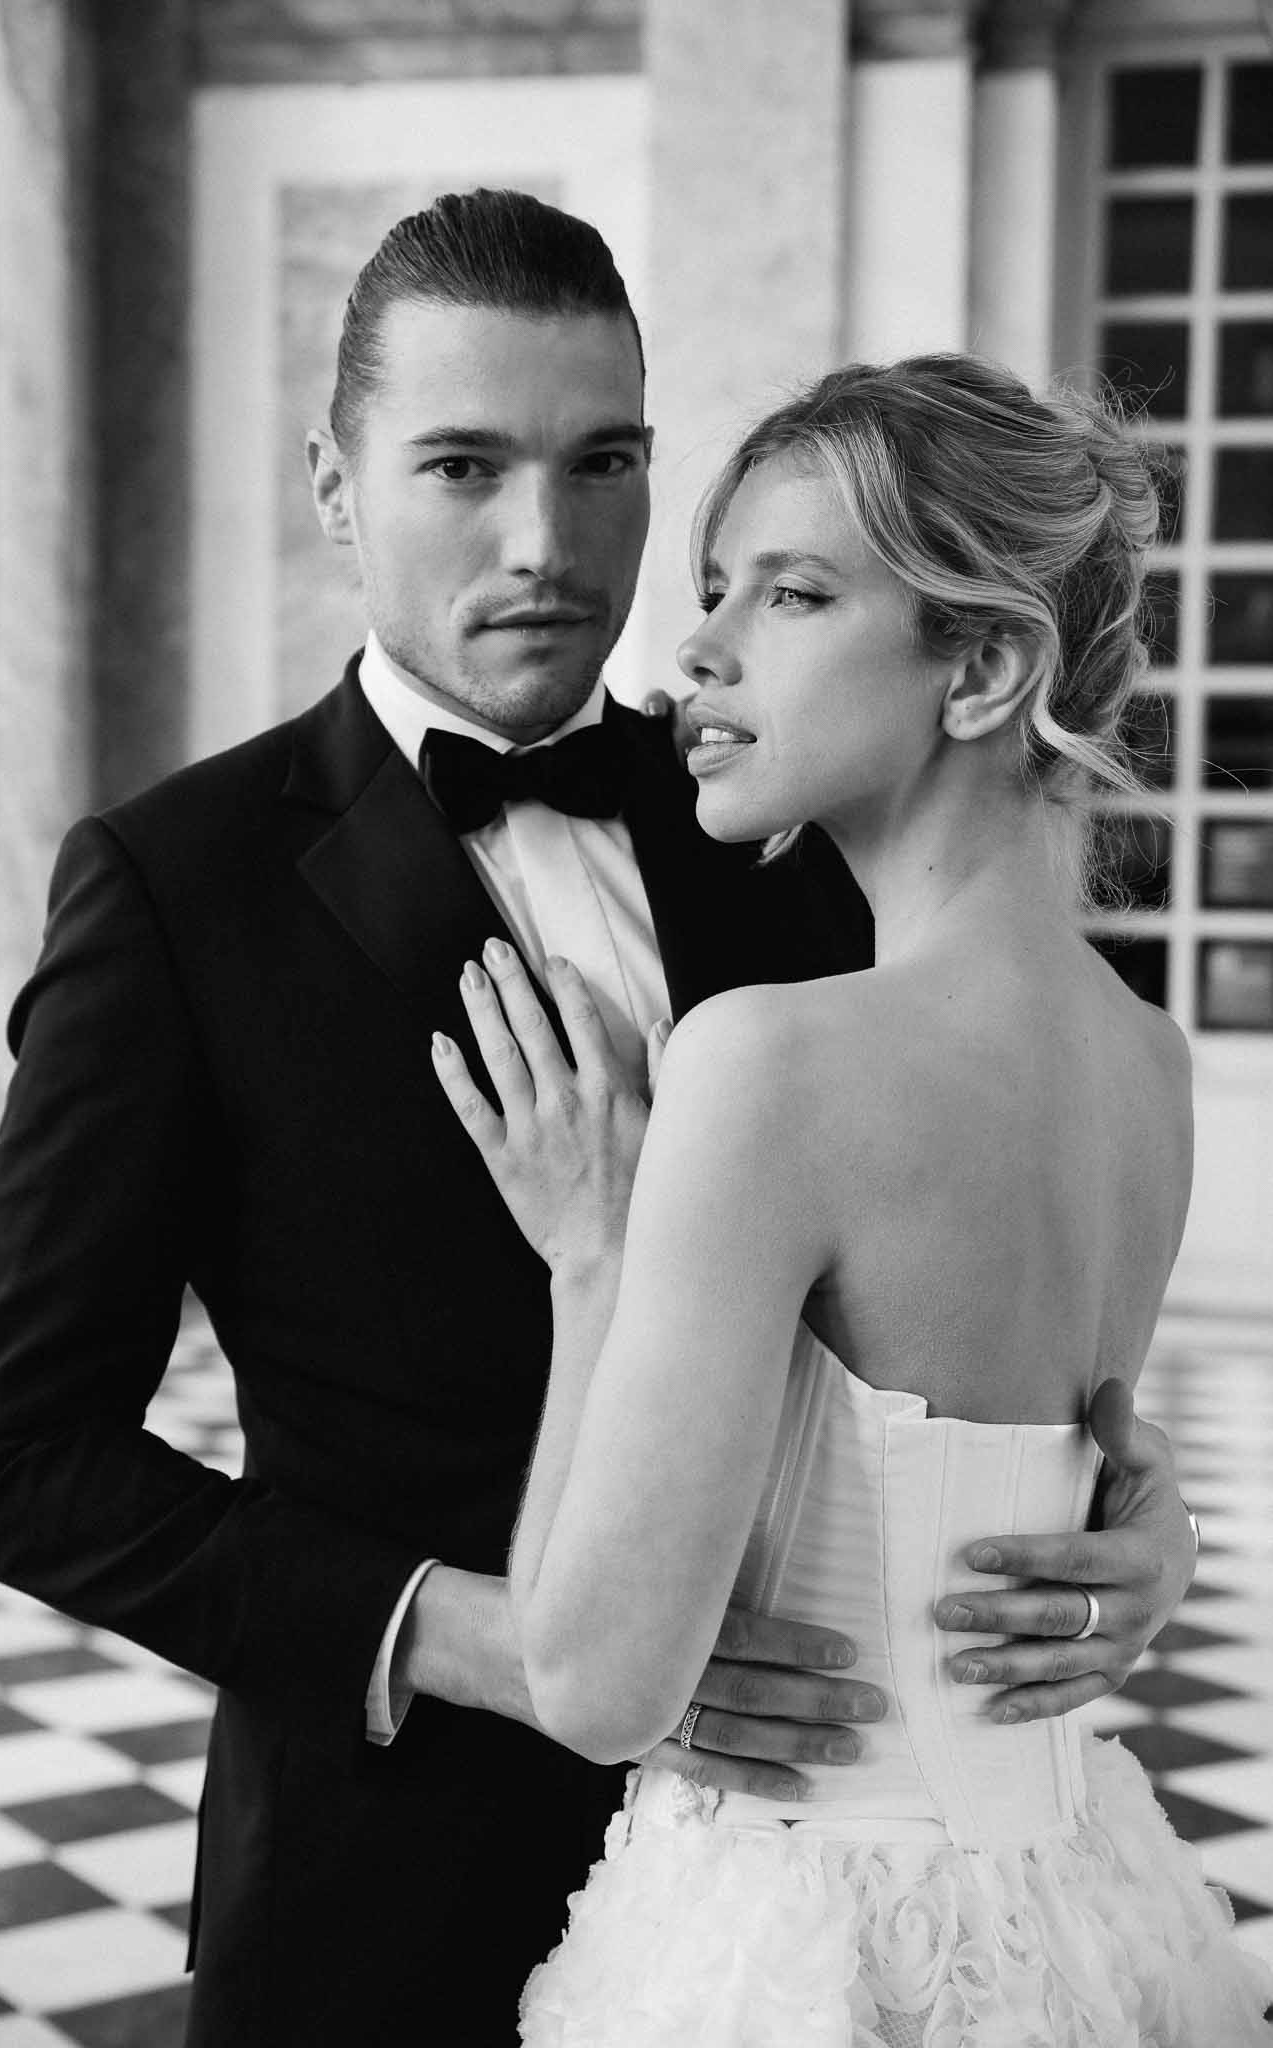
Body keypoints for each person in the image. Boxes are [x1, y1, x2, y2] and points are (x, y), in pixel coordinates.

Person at [0, 195, 1197, 2045]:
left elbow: (955, 1284)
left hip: (833, 1907)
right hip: (388, 1893)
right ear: (335, 484)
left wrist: (1121, 1522)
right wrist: (483, 1641)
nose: (547, 542)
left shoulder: (802, 820)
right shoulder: (174, 886)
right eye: (462, 465)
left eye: (603, 464)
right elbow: (14, 1458)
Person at [432, 353, 1273, 2043]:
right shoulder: (1146, 1063)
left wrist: (591, 1261)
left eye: (796, 592)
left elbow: (597, 1686)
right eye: (715, 588)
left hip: (802, 1943)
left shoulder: (774, 1066)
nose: (700, 648)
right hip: (1079, 1915)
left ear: (980, 665)